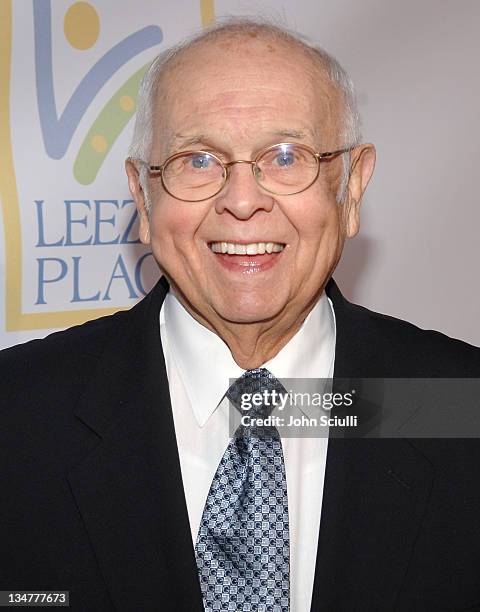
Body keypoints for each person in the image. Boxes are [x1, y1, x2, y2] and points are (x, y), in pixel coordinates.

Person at [1, 18, 480, 612]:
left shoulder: (462, 406)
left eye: (285, 156)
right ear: (143, 199)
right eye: (197, 160)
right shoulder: (15, 416)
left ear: (351, 189)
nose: (243, 201)